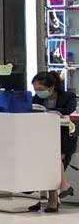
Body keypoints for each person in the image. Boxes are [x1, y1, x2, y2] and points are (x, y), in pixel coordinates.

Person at [29, 71, 77, 213]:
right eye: (36, 89)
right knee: (49, 163)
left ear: (51, 87)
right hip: (43, 138)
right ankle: (60, 191)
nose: (38, 92)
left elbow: (68, 109)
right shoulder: (36, 99)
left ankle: (52, 199)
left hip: (64, 139)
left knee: (53, 162)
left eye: (40, 89)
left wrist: (52, 111)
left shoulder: (68, 96)